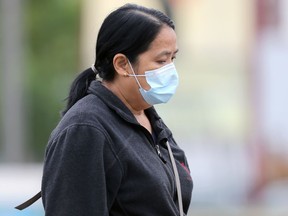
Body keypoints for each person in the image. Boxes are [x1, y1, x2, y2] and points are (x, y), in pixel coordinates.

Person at [42, 3, 192, 215]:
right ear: (122, 64)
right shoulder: (86, 129)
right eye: (161, 60)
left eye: (172, 59)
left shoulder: (149, 119)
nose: (170, 70)